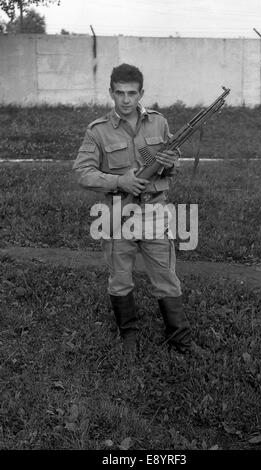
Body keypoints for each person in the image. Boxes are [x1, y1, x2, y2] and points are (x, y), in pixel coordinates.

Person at [73, 63, 192, 356]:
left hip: (154, 212)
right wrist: (120, 181)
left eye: (132, 93)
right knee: (120, 277)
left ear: (141, 93)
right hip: (117, 215)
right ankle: (129, 337)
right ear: (111, 93)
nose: (126, 100)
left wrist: (168, 164)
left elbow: (170, 167)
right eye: (120, 93)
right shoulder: (97, 132)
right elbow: (83, 173)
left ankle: (180, 340)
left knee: (166, 277)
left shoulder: (159, 123)